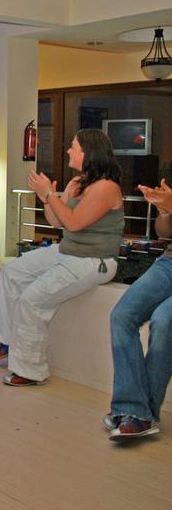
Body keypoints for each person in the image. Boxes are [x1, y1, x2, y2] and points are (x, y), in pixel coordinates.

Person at [0, 128, 124, 386]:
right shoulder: (76, 183)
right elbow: (57, 221)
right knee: (12, 272)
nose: (68, 151)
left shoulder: (106, 187)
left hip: (94, 261)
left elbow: (74, 223)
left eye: (73, 146)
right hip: (67, 251)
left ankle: (30, 371)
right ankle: (6, 341)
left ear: (88, 151)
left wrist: (51, 195)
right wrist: (46, 199)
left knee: (31, 300)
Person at [105, 178, 172, 442]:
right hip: (168, 263)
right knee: (122, 316)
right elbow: (164, 233)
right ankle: (136, 411)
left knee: (164, 320)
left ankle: (139, 414)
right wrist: (165, 210)